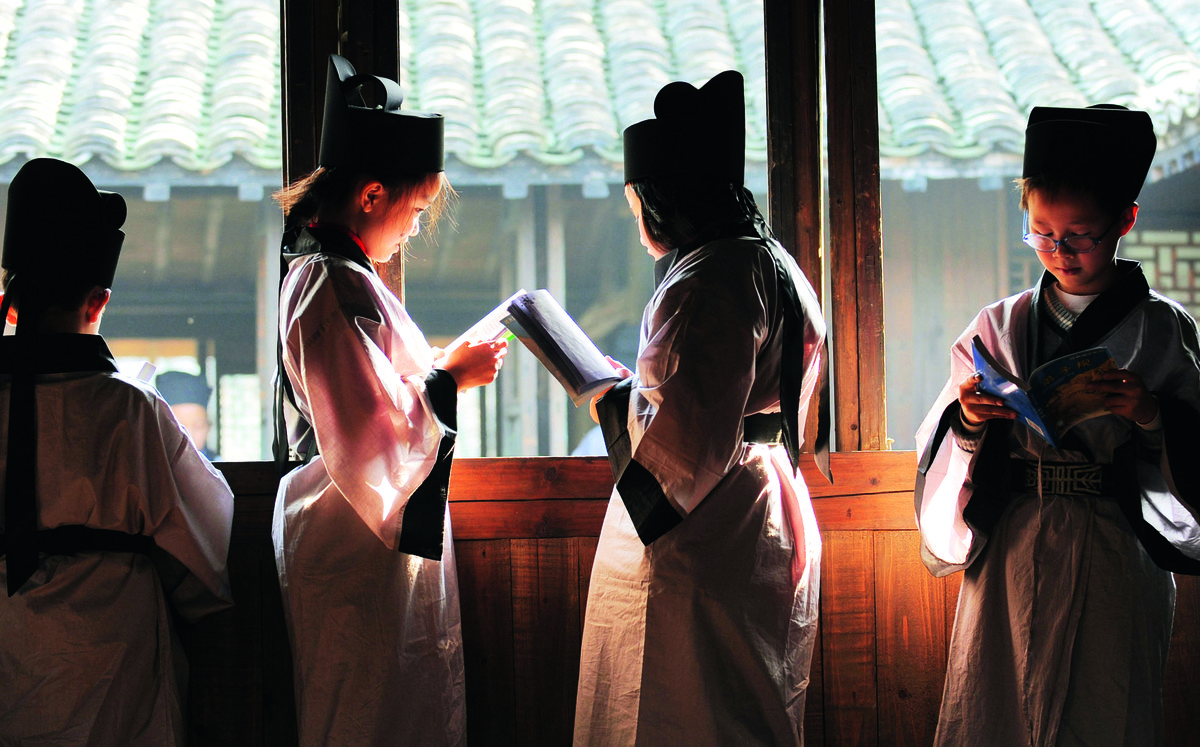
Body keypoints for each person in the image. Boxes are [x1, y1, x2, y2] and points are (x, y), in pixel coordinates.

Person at [915, 105, 1200, 745]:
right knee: (999, 710)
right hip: (1014, 542)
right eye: (1041, 234)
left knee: (1107, 712)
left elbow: (1193, 448)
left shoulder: (1162, 330)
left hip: (1116, 548)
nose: (1059, 251)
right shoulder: (998, 325)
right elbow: (941, 443)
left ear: (1124, 220)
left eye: (1080, 234)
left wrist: (1151, 415)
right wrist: (969, 419)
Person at [574, 70, 830, 745]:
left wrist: (612, 399)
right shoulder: (767, 258)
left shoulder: (709, 276)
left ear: (665, 201)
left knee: (684, 708)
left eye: (638, 209)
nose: (638, 227)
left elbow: (684, 451)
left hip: (708, 522)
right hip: (760, 494)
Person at [272, 55, 506, 746]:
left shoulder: (343, 276)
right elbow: (370, 439)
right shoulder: (325, 282)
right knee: (368, 717)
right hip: (350, 536)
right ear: (371, 195)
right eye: (416, 209)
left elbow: (375, 401)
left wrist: (437, 372)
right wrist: (448, 379)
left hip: (365, 539)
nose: (413, 228)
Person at [0, 158, 235, 744]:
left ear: (10, 305)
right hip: (117, 664)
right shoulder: (132, 408)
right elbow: (207, 541)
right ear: (98, 303)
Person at [156, 370, 218, 459]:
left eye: (199, 426)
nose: (190, 436)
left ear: (208, 427)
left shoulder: (220, 468)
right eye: (180, 427)